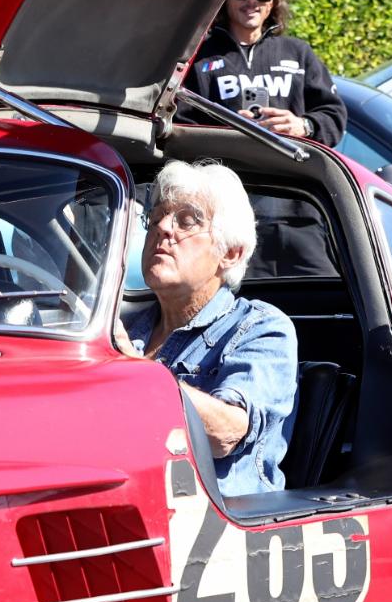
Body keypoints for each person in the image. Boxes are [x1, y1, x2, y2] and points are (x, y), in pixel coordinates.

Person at [122, 161, 297, 495]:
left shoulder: (261, 327)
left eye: (186, 220)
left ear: (230, 253)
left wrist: (134, 372)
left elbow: (225, 433)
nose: (163, 227)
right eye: (156, 216)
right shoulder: (128, 329)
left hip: (219, 527)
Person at [184, 0, 346, 147]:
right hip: (223, 172)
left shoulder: (298, 53)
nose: (252, 0)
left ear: (273, 2)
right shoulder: (198, 56)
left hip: (288, 171)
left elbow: (334, 116)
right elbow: (179, 124)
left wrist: (304, 126)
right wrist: (227, 137)